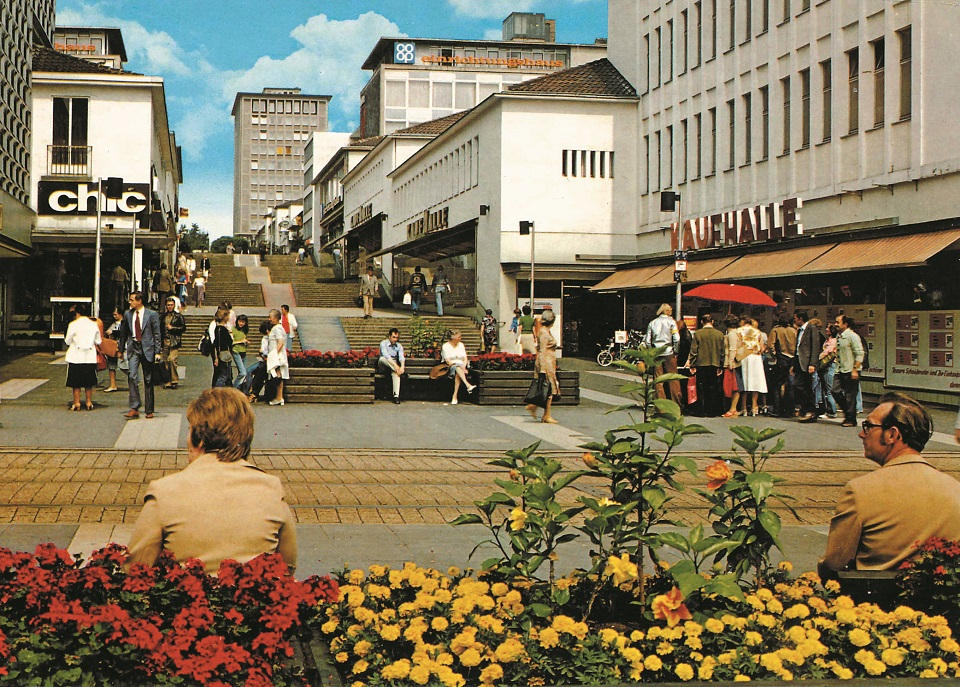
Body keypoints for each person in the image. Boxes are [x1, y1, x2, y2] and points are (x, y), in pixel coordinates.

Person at [126, 387, 297, 575]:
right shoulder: (271, 489)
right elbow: (287, 566)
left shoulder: (164, 492)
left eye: (190, 430)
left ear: (198, 439)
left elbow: (136, 569)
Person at [818, 392, 960, 577]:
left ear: (892, 434)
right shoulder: (954, 489)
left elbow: (834, 563)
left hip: (875, 601)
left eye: (868, 426)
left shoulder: (860, 491)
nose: (862, 434)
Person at [119, 292, 161, 420]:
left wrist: (158, 352)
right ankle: (134, 407)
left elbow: (157, 333)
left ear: (139, 301)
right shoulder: (128, 314)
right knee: (132, 376)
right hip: (134, 348)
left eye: (132, 300)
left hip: (147, 349)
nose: (130, 302)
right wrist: (120, 350)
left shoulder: (152, 315)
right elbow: (123, 333)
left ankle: (149, 409)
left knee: (148, 380)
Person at [64, 303, 101, 411]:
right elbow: (98, 341)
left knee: (76, 382)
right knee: (88, 382)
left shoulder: (73, 324)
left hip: (76, 356)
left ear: (77, 312)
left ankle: (77, 403)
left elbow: (67, 341)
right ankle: (89, 402)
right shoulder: (94, 324)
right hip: (89, 356)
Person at [526, 308, 560, 423]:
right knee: (549, 388)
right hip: (546, 363)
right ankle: (546, 415)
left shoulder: (544, 331)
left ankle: (536, 408)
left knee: (547, 388)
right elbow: (542, 351)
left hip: (548, 362)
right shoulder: (544, 333)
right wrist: (543, 368)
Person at [688, 313, 725, 417]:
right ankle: (712, 410)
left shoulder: (698, 334)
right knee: (712, 387)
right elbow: (722, 351)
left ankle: (701, 410)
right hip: (714, 363)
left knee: (701, 387)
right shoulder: (719, 334)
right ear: (712, 322)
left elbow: (694, 350)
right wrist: (721, 365)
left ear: (701, 322)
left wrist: (692, 364)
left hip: (701, 363)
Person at [644, 303, 682, 403]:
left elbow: (647, 341)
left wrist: (651, 351)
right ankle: (676, 403)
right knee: (673, 378)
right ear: (667, 311)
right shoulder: (672, 322)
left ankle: (660, 405)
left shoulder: (652, 323)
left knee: (658, 380)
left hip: (657, 353)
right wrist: (676, 351)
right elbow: (677, 338)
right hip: (669, 353)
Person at [832, 314, 865, 427]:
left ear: (845, 324)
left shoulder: (852, 336)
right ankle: (848, 413)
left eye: (838, 322)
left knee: (850, 395)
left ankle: (851, 419)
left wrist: (855, 369)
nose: (835, 324)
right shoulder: (839, 336)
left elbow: (860, 353)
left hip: (851, 370)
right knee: (834, 391)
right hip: (840, 369)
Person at [794, 310, 824, 423]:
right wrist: (794, 364)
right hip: (799, 362)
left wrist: (813, 364)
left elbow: (815, 347)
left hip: (807, 363)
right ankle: (805, 408)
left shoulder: (812, 328)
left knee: (806, 387)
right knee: (798, 386)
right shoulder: (799, 331)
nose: (795, 320)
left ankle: (810, 411)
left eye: (796, 318)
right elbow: (797, 348)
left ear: (801, 318)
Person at [737, 318, 768, 416]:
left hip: (744, 357)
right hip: (756, 358)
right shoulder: (757, 332)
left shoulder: (739, 331)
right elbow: (762, 348)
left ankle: (744, 407)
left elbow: (737, 345)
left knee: (744, 382)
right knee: (756, 382)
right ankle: (755, 407)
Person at [441, 330, 476, 405]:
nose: (460, 338)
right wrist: (461, 367)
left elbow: (465, 358)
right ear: (453, 338)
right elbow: (448, 361)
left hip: (462, 366)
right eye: (459, 337)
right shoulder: (445, 346)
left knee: (458, 372)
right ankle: (467, 385)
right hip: (451, 366)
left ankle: (455, 396)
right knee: (457, 368)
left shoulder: (461, 345)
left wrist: (464, 366)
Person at [160, 297, 185, 390]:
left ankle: (174, 380)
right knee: (164, 361)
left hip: (174, 340)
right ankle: (167, 380)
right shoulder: (162, 316)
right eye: (168, 305)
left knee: (172, 359)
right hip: (165, 340)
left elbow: (183, 328)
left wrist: (173, 328)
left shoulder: (178, 316)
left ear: (174, 305)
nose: (170, 307)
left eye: (171, 305)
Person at [722, 315, 744, 417]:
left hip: (732, 363)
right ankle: (733, 408)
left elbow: (732, 349)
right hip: (737, 362)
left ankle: (732, 408)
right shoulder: (738, 333)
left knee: (733, 386)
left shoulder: (731, 334)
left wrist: (730, 362)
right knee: (736, 386)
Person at [245, 321, 272, 402]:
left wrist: (263, 353)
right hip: (263, 360)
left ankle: (253, 393)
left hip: (268, 361)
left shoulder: (272, 338)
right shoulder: (265, 338)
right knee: (249, 371)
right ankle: (249, 391)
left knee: (260, 372)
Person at [266, 309, 289, 405]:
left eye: (270, 317)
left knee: (278, 376)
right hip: (277, 355)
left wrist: (274, 354)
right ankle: (279, 397)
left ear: (275, 318)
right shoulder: (277, 328)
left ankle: (279, 397)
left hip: (277, 356)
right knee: (278, 376)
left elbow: (280, 342)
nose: (269, 319)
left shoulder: (277, 328)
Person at [818, 324, 840, 419]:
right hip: (826, 366)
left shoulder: (833, 341)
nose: (826, 329)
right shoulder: (828, 340)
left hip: (830, 365)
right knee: (826, 389)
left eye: (828, 328)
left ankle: (832, 411)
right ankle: (829, 410)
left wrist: (818, 358)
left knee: (829, 390)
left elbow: (827, 351)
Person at [378, 327, 405, 404]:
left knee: (396, 374)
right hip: (383, 364)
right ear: (389, 336)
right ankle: (397, 370)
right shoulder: (383, 343)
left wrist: (402, 367)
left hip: (393, 366)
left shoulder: (399, 346)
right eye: (393, 337)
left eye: (397, 337)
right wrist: (396, 367)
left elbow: (401, 357)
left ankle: (396, 396)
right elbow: (386, 356)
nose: (395, 339)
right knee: (383, 359)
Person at [210, 308, 234, 388]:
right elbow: (229, 342)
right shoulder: (222, 329)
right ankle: (216, 392)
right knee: (224, 376)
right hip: (224, 354)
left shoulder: (217, 329)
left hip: (221, 353)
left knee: (224, 375)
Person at [103, 308, 123, 393]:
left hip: (121, 346)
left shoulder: (124, 323)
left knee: (125, 365)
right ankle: (113, 384)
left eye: (116, 314)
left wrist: (113, 332)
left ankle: (134, 382)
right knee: (111, 365)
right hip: (113, 345)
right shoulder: (113, 323)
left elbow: (123, 333)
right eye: (113, 315)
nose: (114, 316)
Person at [231, 314, 249, 390]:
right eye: (240, 321)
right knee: (243, 373)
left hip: (243, 352)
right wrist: (241, 341)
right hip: (236, 351)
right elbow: (231, 342)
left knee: (243, 372)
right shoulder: (233, 329)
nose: (241, 323)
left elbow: (244, 341)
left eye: (243, 322)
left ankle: (241, 390)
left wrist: (246, 343)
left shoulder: (244, 330)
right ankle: (234, 389)